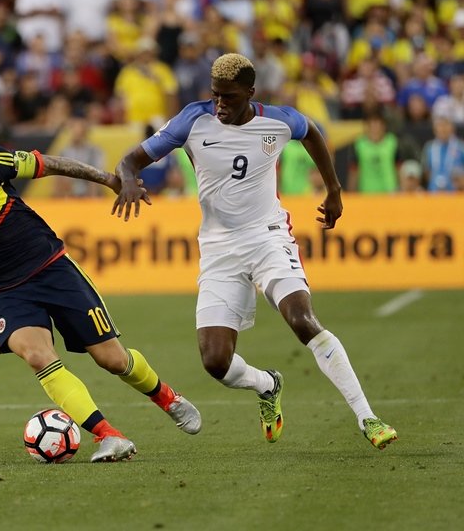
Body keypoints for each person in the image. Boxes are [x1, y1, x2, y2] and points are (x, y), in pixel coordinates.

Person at [112, 53, 397, 450]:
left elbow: (312, 132)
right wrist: (127, 179)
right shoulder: (192, 121)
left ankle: (369, 418)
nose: (220, 105)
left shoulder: (277, 121)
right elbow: (130, 160)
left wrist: (333, 189)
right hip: (218, 248)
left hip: (267, 236)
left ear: (250, 92)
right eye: (215, 95)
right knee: (215, 362)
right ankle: (268, 385)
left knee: (302, 320)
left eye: (228, 97)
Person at [0, 124, 201, 463]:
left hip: (53, 268)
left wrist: (108, 179)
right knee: (36, 356)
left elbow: (51, 164)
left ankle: (166, 397)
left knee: (112, 360)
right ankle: (109, 436)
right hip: (5, 291)